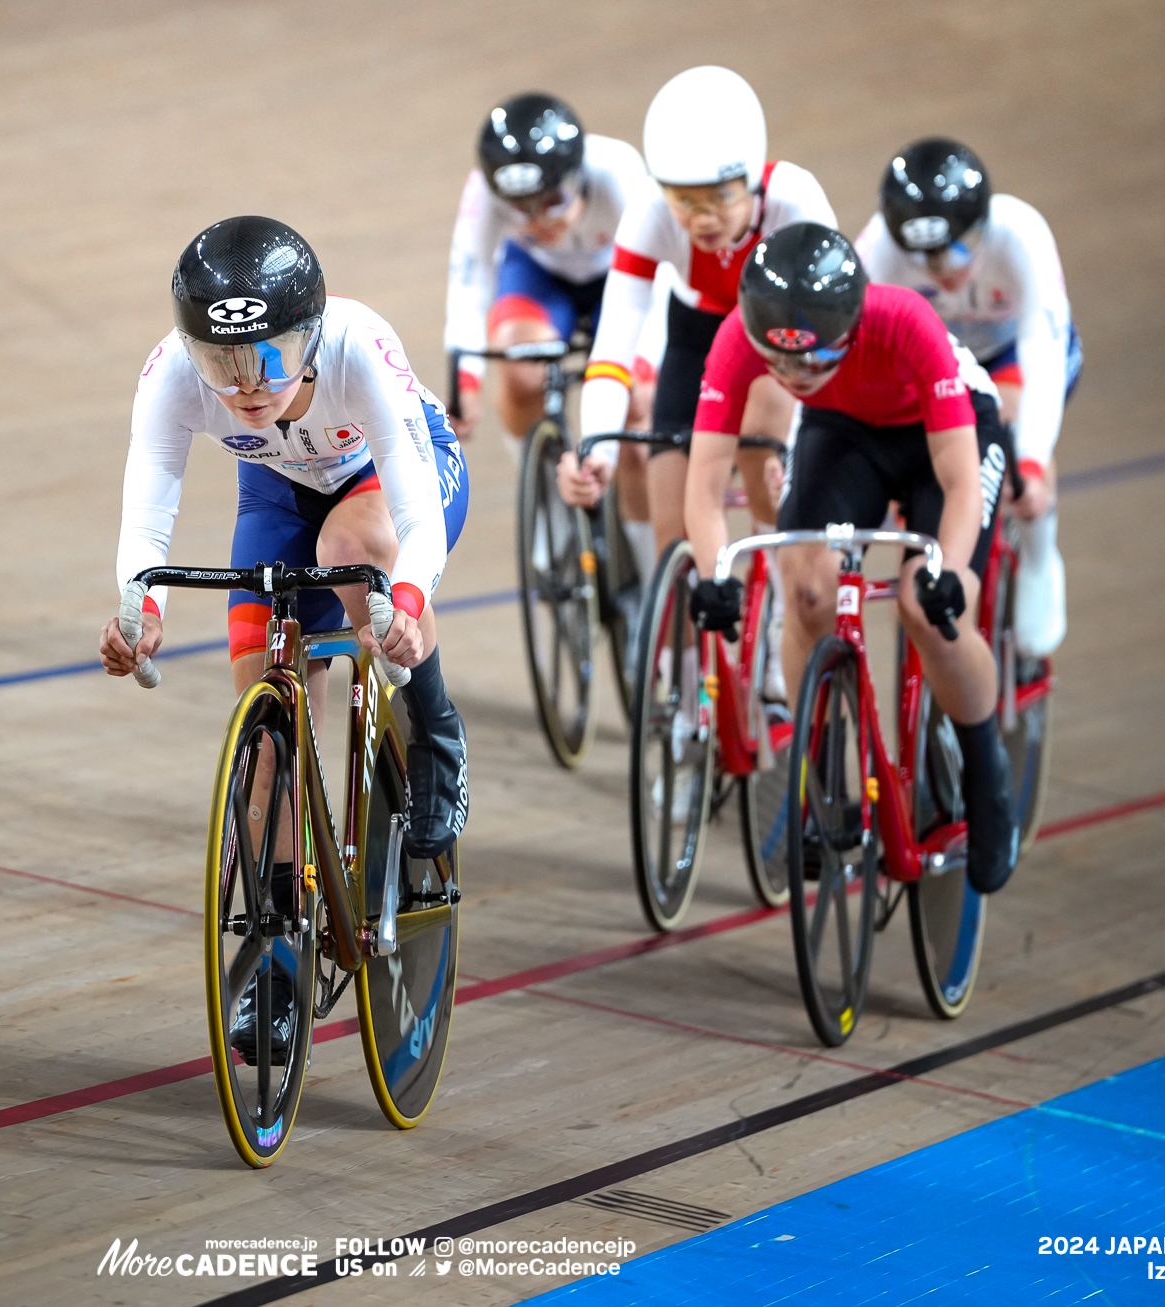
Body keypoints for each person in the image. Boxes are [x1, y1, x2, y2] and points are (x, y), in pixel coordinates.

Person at [99, 216, 470, 1059]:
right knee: (264, 742)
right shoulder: (168, 378)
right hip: (276, 498)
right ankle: (271, 955)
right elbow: (148, 505)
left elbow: (415, 515)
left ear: (309, 335)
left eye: (268, 355)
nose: (244, 384)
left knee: (352, 550)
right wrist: (140, 611)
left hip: (395, 478)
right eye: (219, 363)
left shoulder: (358, 348)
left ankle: (437, 738)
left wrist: (406, 598)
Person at [683, 223, 1020, 894]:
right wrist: (716, 572)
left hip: (944, 429)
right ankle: (825, 770)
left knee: (935, 612)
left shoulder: (906, 323)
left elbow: (957, 482)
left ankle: (987, 770)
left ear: (851, 326)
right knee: (806, 590)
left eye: (811, 363)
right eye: (780, 364)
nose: (792, 377)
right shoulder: (738, 340)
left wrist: (949, 576)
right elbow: (704, 484)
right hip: (846, 431)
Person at [561, 66, 836, 559]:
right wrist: (597, 453)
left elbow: (836, 336)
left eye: (719, 197)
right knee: (675, 531)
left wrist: (797, 446)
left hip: (778, 343)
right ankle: (678, 635)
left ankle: (774, 606)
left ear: (751, 181)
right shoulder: (648, 212)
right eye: (684, 200)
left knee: (766, 470)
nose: (702, 218)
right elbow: (613, 345)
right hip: (695, 338)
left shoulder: (796, 201)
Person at [854, 137, 1080, 657]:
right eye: (925, 258)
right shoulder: (880, 252)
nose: (943, 268)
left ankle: (1042, 557)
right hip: (936, 359)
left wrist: (1029, 458)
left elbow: (1042, 349)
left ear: (982, 226)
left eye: (958, 248)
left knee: (1011, 430)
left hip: (1012, 357)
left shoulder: (1020, 234)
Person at [444, 91, 659, 563]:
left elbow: (662, 279)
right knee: (521, 376)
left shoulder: (619, 171)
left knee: (639, 403)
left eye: (553, 201)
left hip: (622, 277)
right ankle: (547, 506)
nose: (539, 221)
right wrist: (465, 381)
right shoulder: (484, 188)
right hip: (539, 276)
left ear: (579, 176)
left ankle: (647, 571)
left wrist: (644, 362)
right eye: (520, 208)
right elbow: (471, 277)